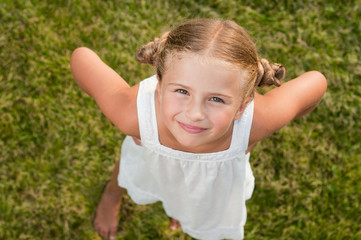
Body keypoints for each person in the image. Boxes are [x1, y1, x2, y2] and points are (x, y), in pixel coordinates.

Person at [70, 18, 327, 240]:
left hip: (208, 184)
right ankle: (112, 195)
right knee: (132, 168)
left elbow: (316, 84)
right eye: (182, 91)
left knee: (186, 199)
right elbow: (81, 58)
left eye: (217, 99)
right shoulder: (133, 116)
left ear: (242, 106)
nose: (194, 114)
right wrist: (141, 111)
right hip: (150, 162)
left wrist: (251, 136)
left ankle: (179, 208)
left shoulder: (258, 121)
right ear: (159, 87)